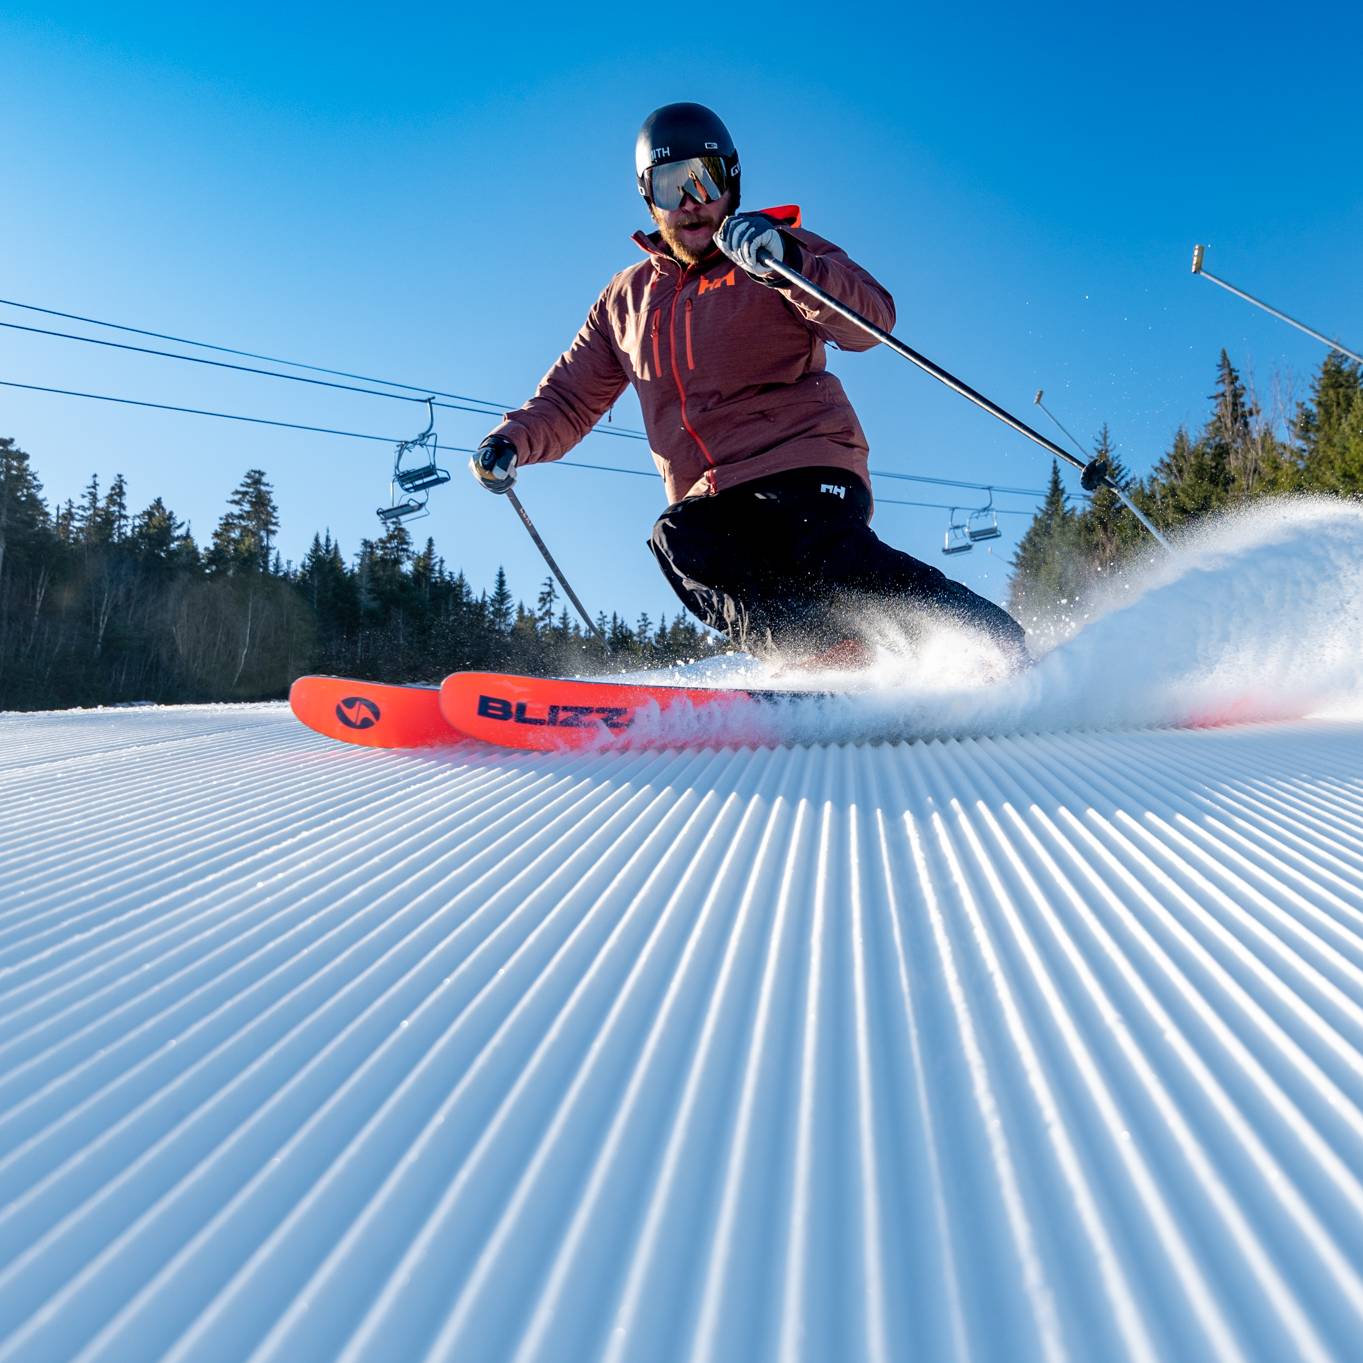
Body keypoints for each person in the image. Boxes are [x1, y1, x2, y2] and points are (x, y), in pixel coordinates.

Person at [472, 102, 1027, 670]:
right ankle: (825, 659)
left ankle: (993, 646)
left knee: (832, 561)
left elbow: (870, 322)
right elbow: (569, 397)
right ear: (648, 197)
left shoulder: (772, 250)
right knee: (682, 541)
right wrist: (512, 440)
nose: (690, 203)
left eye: (704, 180)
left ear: (731, 182)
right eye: (670, 186)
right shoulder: (626, 300)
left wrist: (788, 263)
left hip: (804, 466)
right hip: (711, 499)